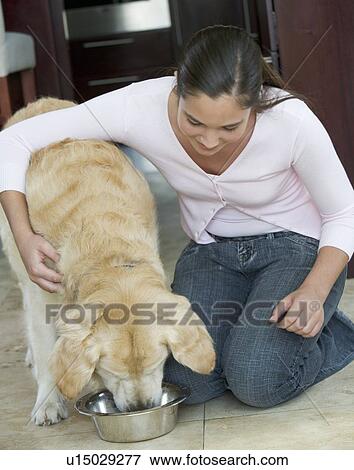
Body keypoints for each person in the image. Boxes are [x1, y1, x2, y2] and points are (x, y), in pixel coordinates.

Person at [1, 25, 354, 408]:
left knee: (256, 381)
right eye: (194, 122)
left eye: (230, 127)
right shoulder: (140, 107)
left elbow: (344, 213)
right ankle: (253, 334)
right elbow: (14, 140)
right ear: (176, 89)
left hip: (296, 247)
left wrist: (315, 292)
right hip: (211, 253)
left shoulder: (292, 121)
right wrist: (23, 235)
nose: (209, 140)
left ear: (258, 104)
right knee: (187, 380)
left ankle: (332, 331)